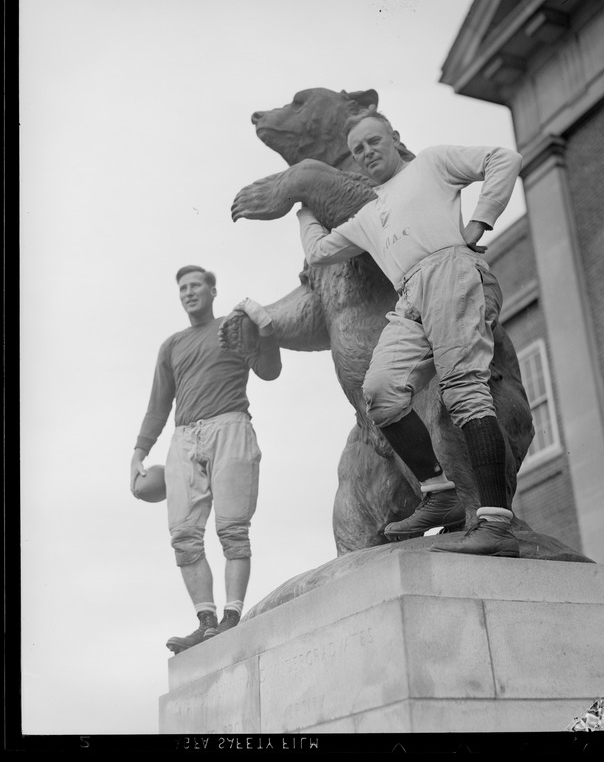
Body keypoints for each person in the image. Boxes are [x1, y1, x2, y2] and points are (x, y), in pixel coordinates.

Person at [296, 108, 523, 556]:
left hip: (451, 272)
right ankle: (439, 493)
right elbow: (321, 251)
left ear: (394, 139)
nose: (365, 153)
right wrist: (303, 211)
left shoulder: (431, 164)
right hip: (410, 296)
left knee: (463, 393)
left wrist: (480, 222)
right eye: (357, 150)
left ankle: (496, 524)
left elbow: (503, 158)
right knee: (380, 392)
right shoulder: (370, 213)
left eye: (373, 142)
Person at [130, 265, 282, 653]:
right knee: (183, 535)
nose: (188, 292)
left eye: (196, 285)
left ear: (213, 292)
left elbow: (269, 371)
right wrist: (139, 452)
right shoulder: (172, 345)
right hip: (184, 437)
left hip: (230, 426)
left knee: (232, 529)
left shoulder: (233, 328)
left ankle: (232, 616)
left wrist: (266, 331)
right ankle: (206, 620)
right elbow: (158, 405)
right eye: (183, 288)